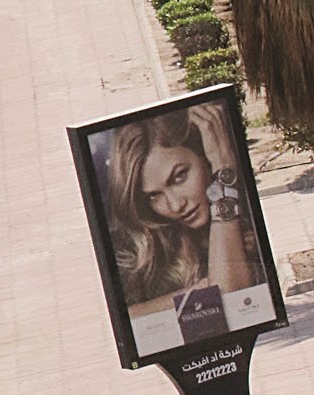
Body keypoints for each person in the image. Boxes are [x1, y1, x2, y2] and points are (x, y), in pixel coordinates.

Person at [103, 102, 262, 319]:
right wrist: (199, 292)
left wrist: (224, 170)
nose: (176, 205)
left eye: (179, 177)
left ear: (205, 156)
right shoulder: (134, 251)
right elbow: (122, 318)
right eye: (154, 195)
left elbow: (232, 299)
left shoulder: (254, 215)